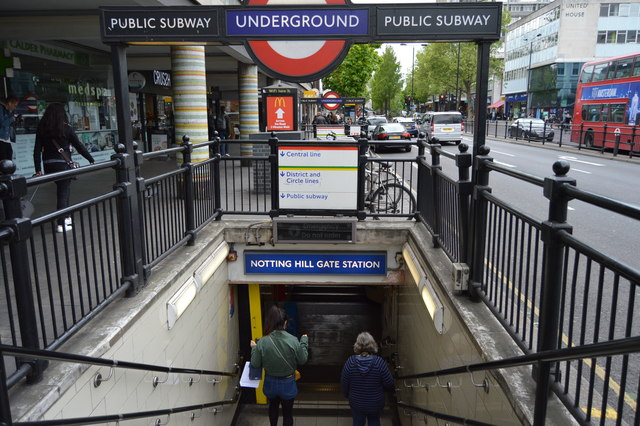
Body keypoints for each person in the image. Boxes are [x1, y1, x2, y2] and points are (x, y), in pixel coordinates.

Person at [33, 103, 95, 233]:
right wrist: (90, 159)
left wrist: (38, 169)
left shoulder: (42, 129)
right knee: (63, 192)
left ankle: (65, 217)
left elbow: (37, 150)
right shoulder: (66, 128)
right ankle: (61, 223)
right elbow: (79, 146)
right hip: (63, 164)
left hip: (48, 165)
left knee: (63, 190)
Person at [250, 305, 308, 426]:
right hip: (288, 383)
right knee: (288, 414)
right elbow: (302, 360)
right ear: (285, 322)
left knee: (273, 408)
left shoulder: (263, 341)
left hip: (270, 382)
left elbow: (255, 363)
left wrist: (254, 348)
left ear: (270, 322)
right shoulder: (293, 340)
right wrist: (304, 342)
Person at [341, 332, 394, 426]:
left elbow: (344, 383)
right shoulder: (379, 362)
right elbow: (389, 383)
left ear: (357, 345)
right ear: (372, 344)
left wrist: (347, 395)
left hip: (356, 402)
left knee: (357, 422)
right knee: (374, 421)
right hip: (375, 402)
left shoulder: (350, 361)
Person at [0, 95, 20, 161]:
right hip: (1, 138)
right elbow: (2, 123)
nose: (15, 108)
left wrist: (17, 120)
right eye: (14, 105)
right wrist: (12, 118)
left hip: (7, 139)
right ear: (9, 103)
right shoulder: (1, 109)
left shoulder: (10, 112)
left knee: (9, 158)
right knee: (3, 160)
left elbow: (10, 126)